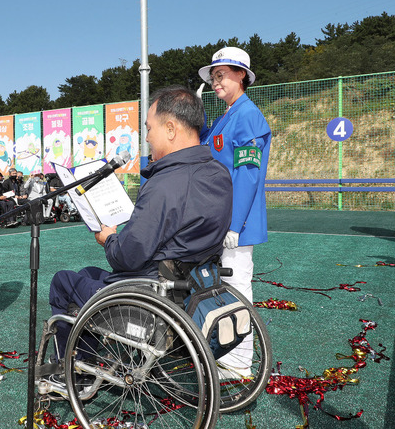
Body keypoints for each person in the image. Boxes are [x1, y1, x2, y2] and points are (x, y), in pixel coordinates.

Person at [49, 85, 233, 358]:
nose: (146, 137)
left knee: (63, 282)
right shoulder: (218, 172)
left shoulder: (166, 183)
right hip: (193, 284)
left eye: (149, 128)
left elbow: (126, 257)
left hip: (153, 292)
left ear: (170, 129)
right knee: (88, 273)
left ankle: (77, 371)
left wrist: (108, 239)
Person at [198, 47, 271, 376]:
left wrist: (236, 224)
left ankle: (240, 363)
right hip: (220, 220)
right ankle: (223, 353)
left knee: (238, 288)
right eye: (214, 76)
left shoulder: (247, 114)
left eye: (222, 75)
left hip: (234, 224)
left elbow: (248, 172)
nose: (216, 82)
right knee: (222, 290)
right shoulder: (226, 117)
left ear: (242, 75)